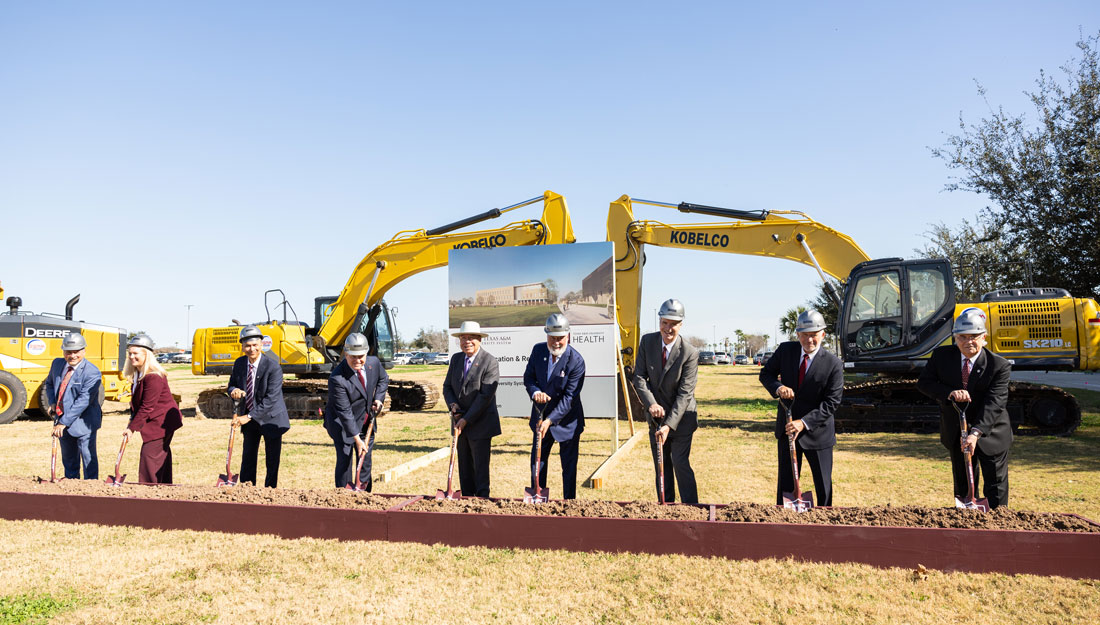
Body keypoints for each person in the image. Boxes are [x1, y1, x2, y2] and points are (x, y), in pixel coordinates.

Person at [917, 307, 1012, 508]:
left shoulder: (999, 366)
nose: (968, 342)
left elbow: (995, 402)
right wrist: (949, 393)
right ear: (954, 337)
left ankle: (997, 524)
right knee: (963, 483)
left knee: (995, 484)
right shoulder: (941, 357)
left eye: (974, 336)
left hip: (990, 432)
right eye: (962, 337)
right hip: (956, 431)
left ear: (984, 337)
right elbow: (924, 383)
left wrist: (975, 433)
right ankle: (965, 520)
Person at [759, 310, 843, 507]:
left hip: (818, 434)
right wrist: (778, 388)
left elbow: (832, 402)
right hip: (788, 430)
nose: (809, 340)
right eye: (804, 335)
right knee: (786, 486)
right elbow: (766, 374)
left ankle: (824, 522)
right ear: (797, 334)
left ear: (823, 334)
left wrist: (804, 423)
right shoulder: (785, 351)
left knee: (823, 486)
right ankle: (783, 523)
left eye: (814, 334)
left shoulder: (833, 364)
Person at [632, 299, 699, 504]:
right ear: (659, 321)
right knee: (661, 464)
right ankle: (665, 506)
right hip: (656, 415)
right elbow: (639, 377)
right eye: (664, 323)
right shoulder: (647, 342)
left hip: (682, 416)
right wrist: (651, 404)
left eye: (673, 324)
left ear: (681, 324)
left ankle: (690, 508)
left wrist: (669, 425)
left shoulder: (689, 352)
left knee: (679, 462)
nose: (668, 328)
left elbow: (685, 393)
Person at [522, 313, 585, 499]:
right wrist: (535, 393)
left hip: (567, 422)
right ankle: (537, 497)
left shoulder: (576, 361)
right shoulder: (538, 351)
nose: (556, 342)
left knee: (569, 467)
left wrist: (550, 421)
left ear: (568, 336)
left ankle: (569, 503)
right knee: (537, 462)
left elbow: (569, 398)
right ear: (546, 335)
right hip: (540, 418)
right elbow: (529, 378)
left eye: (560, 338)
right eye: (552, 338)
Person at [442, 321, 500, 498]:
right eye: (463, 338)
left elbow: (485, 396)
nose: (467, 341)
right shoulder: (456, 359)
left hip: (480, 424)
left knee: (480, 471)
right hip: (460, 423)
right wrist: (453, 405)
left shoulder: (490, 362)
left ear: (480, 340)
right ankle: (466, 501)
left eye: (471, 338)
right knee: (464, 469)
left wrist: (465, 419)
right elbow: (447, 387)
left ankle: (482, 504)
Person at [227, 326, 290, 488]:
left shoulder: (273, 367)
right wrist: (234, 390)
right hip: (250, 419)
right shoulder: (240, 363)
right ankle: (247, 489)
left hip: (271, 419)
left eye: (255, 345)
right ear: (242, 347)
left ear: (261, 345)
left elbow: (271, 399)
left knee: (272, 460)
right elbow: (232, 384)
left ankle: (269, 491)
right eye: (247, 345)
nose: (251, 349)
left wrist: (247, 417)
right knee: (248, 457)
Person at [324, 333, 388, 489]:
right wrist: (357, 439)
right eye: (353, 356)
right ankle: (343, 496)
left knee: (365, 460)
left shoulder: (373, 363)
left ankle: (365, 494)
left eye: (361, 356)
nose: (357, 360)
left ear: (366, 353)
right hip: (342, 424)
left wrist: (378, 399)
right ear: (345, 354)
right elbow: (344, 412)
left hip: (366, 421)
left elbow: (383, 379)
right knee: (345, 461)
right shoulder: (337, 378)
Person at [123, 334, 183, 484]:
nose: (131, 356)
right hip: (156, 420)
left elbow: (147, 406)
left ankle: (149, 489)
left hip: (162, 422)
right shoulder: (138, 374)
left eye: (135, 353)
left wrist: (132, 429)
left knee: (149, 456)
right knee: (160, 455)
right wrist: (131, 422)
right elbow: (138, 404)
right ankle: (163, 487)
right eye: (130, 353)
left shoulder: (153, 376)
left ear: (146, 354)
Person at [44, 332, 102, 479]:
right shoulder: (57, 364)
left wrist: (63, 422)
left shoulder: (92, 372)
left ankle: (91, 490)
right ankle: (71, 490)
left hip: (84, 422)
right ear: (63, 351)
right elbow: (49, 384)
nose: (72, 355)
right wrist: (52, 402)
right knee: (69, 461)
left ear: (84, 351)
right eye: (68, 352)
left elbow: (83, 401)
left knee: (88, 459)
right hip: (62, 422)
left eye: (76, 352)